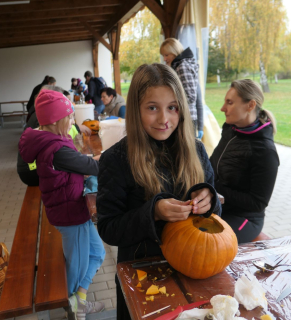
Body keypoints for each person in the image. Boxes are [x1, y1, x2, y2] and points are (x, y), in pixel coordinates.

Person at [96, 63, 221, 320]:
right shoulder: (116, 159)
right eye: (152, 108)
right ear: (136, 110)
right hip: (143, 274)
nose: (164, 119)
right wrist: (152, 213)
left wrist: (211, 202)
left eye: (172, 108)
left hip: (195, 267)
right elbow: (108, 228)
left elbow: (216, 212)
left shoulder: (196, 151)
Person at [19, 89, 106, 320]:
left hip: (74, 210)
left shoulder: (53, 142)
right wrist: (113, 156)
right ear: (56, 120)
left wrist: (88, 164)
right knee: (75, 270)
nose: (72, 122)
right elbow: (93, 167)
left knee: (97, 254)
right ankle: (72, 305)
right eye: (69, 117)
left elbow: (79, 165)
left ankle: (79, 299)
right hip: (71, 217)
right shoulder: (56, 149)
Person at [209, 79, 279, 243]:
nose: (222, 108)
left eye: (230, 102)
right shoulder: (230, 130)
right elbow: (213, 164)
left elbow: (257, 203)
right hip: (220, 207)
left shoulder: (265, 151)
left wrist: (215, 186)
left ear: (250, 105)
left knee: (208, 243)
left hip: (245, 219)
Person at [17, 86, 92, 186]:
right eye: (69, 117)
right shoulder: (54, 143)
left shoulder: (43, 117)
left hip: (33, 168)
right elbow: (63, 146)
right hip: (31, 171)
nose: (73, 121)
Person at [160, 38, 203, 139]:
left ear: (174, 52)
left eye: (167, 55)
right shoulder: (180, 66)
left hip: (186, 118)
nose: (164, 59)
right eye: (163, 56)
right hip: (185, 117)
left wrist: (169, 101)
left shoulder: (182, 67)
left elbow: (190, 97)